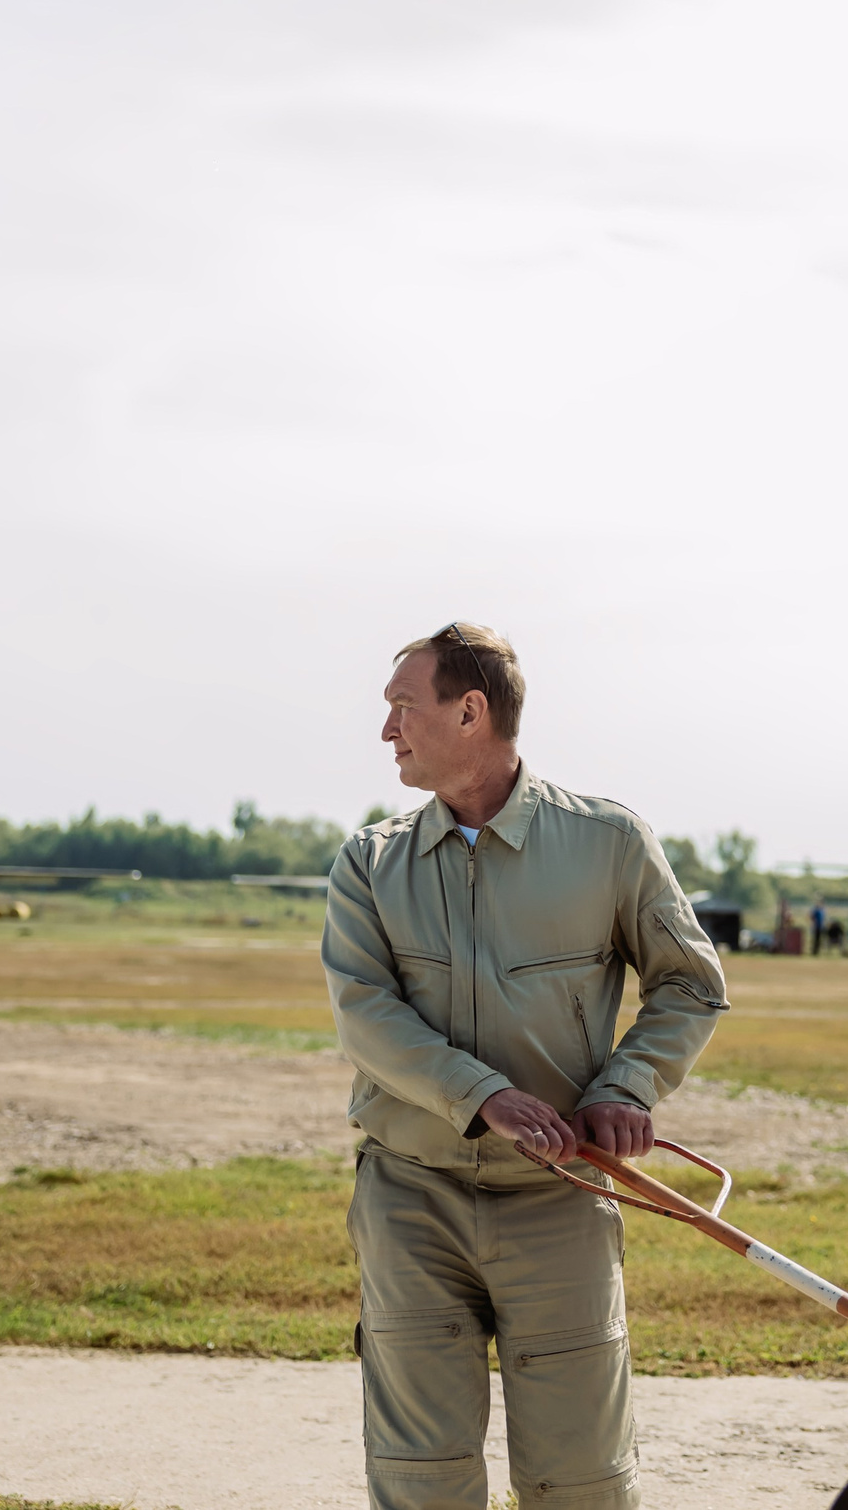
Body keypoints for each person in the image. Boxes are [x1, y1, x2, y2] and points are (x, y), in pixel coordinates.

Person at [322, 623, 730, 1510]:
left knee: (579, 1475)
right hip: (411, 1198)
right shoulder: (369, 863)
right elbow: (365, 1014)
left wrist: (626, 1087)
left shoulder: (610, 844)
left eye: (402, 708)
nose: (386, 732)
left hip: (562, 1199)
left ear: (471, 712)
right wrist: (484, 1096)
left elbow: (690, 987)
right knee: (419, 1474)